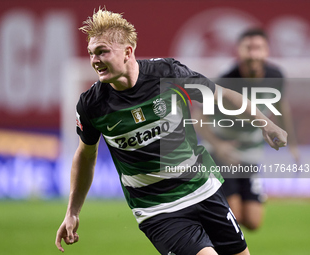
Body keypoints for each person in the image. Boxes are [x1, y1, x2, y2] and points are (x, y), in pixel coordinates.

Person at [55, 9, 287, 255]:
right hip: (158, 210)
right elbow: (85, 155)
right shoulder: (92, 105)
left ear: (128, 52)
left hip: (204, 189)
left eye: (102, 51)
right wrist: (72, 212)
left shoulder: (167, 74)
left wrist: (266, 123)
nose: (95, 60)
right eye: (92, 53)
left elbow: (221, 96)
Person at [194, 28, 299, 230]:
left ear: (267, 50)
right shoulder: (226, 79)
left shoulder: (276, 76)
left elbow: (280, 105)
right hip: (221, 153)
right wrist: (219, 145)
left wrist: (291, 142)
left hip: (250, 152)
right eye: (248, 48)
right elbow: (198, 116)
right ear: (238, 51)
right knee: (232, 215)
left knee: (253, 221)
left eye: (258, 48)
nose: (253, 54)